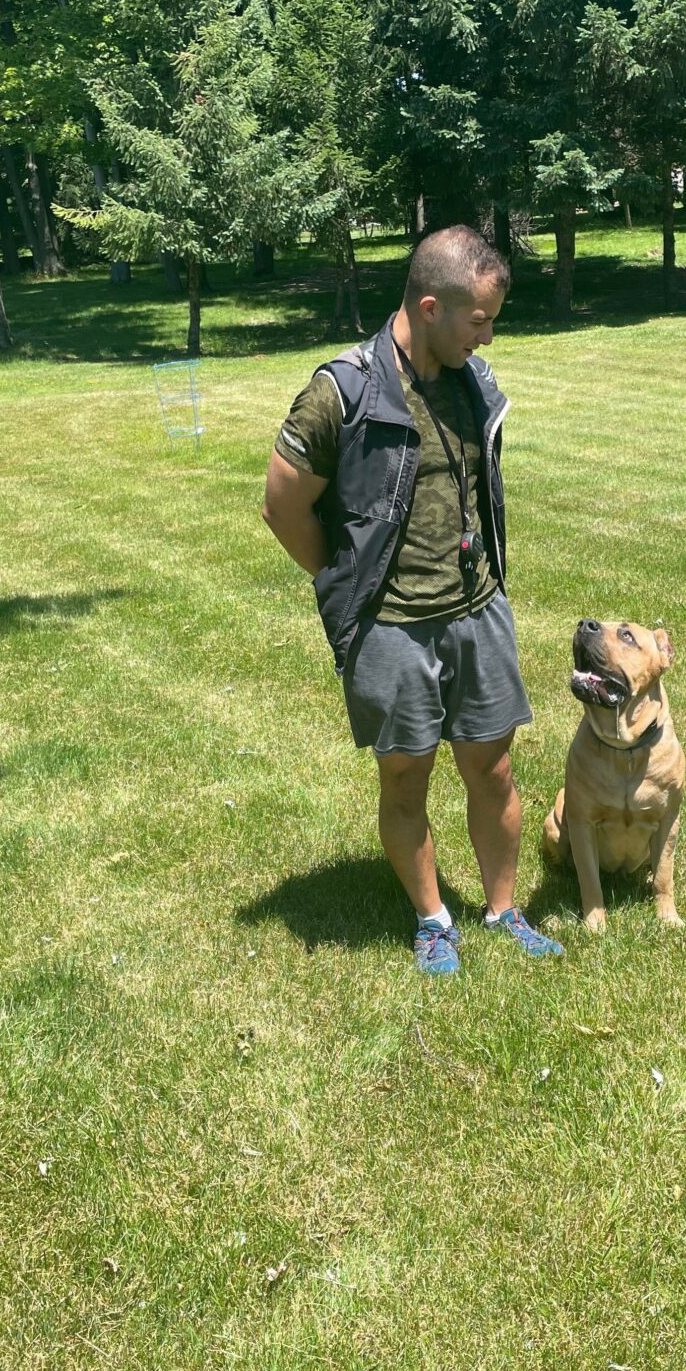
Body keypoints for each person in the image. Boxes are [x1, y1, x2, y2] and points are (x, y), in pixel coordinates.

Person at [262, 224, 564, 975]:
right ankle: (433, 920)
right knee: (406, 779)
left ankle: (501, 909)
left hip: (477, 608)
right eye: (480, 319)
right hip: (392, 627)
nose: (489, 334)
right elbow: (282, 505)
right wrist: (346, 588)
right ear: (431, 306)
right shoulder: (343, 390)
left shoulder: (471, 379)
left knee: (492, 770)